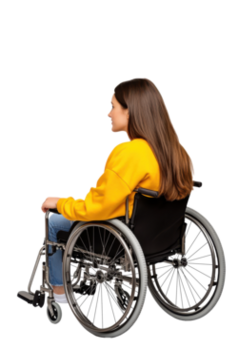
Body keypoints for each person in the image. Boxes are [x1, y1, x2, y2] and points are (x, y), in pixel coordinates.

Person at [23, 77, 197, 306]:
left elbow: (98, 206)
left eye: (112, 106)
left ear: (130, 111)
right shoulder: (178, 154)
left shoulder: (128, 153)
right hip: (158, 237)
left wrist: (61, 202)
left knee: (54, 221)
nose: (108, 113)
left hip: (117, 233)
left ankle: (58, 292)